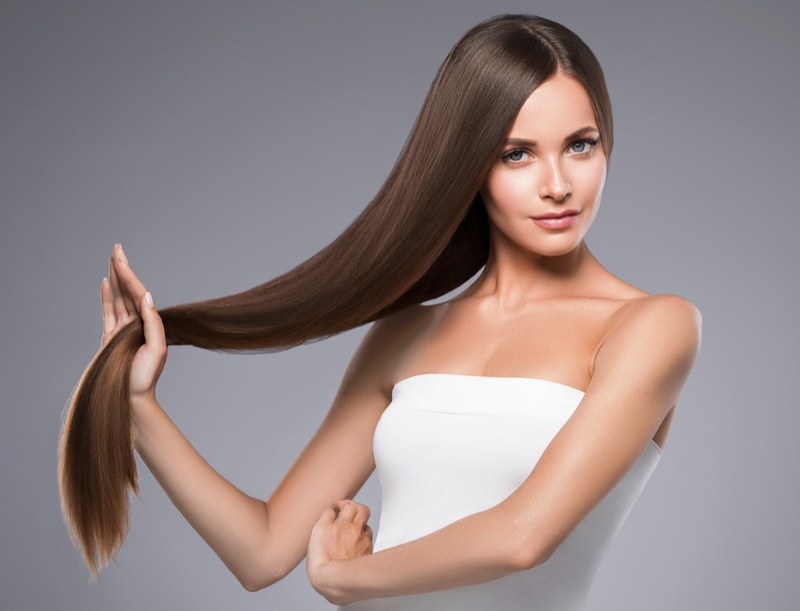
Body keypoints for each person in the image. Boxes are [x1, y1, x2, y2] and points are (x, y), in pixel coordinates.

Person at [59, 14, 701, 610]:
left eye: (581, 145)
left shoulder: (651, 327)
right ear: (470, 167)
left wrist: (345, 577)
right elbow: (262, 551)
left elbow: (524, 536)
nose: (557, 183)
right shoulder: (407, 333)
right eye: (518, 153)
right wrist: (139, 406)